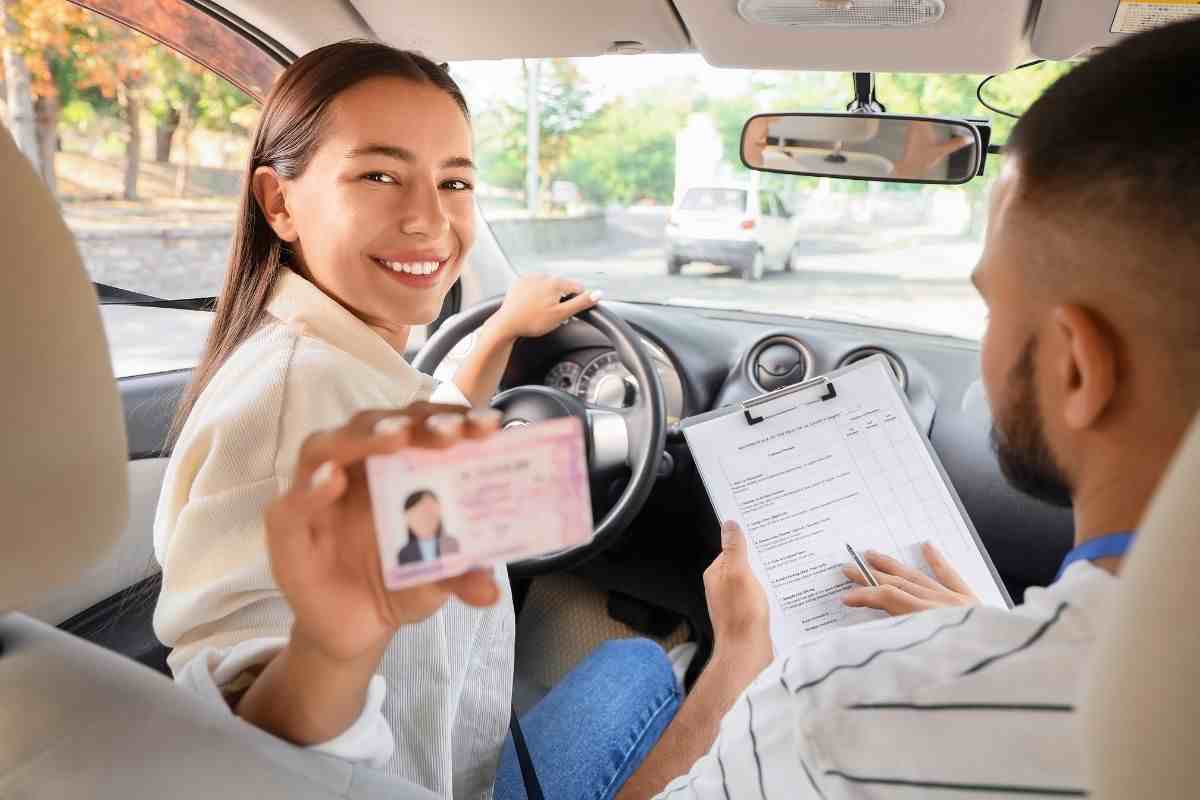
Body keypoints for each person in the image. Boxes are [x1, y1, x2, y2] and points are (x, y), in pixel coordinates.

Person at [615, 18, 1200, 799]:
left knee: (626, 665)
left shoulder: (842, 710)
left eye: (992, 308)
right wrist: (988, 632)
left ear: (1075, 367)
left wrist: (738, 663)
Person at [152, 40, 680, 800]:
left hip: (454, 767)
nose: (430, 220)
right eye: (378, 175)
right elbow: (243, 735)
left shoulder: (348, 365)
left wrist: (500, 330)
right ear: (279, 202)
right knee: (647, 662)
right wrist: (338, 643)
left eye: (455, 181)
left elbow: (432, 416)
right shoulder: (286, 408)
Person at [396, 489, 459, 563]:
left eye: (430, 512)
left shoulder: (451, 543)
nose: (425, 519)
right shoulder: (404, 553)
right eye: (419, 514)